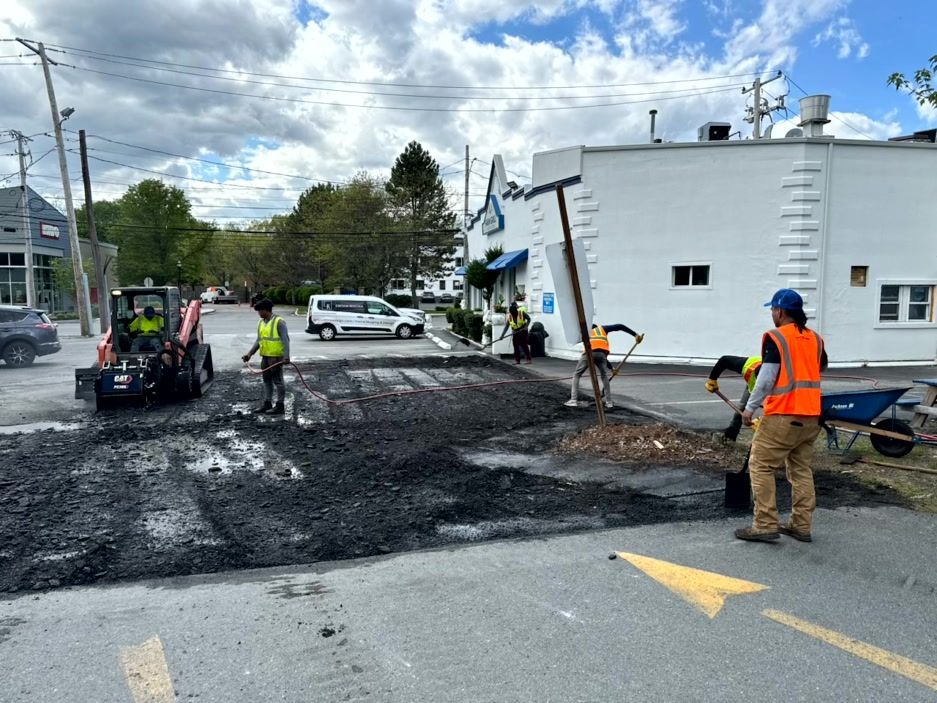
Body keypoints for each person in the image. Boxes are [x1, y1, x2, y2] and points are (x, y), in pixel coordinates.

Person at [736, 289, 828, 544]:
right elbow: (816, 369)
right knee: (801, 469)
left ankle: (765, 524)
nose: (772, 315)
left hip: (783, 415)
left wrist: (750, 408)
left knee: (761, 465)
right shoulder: (815, 339)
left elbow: (766, 379)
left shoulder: (777, 337)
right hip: (811, 416)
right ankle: (801, 525)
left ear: (780, 311)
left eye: (772, 310)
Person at [565, 322, 643, 409]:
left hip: (588, 353)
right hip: (601, 355)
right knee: (604, 376)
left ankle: (573, 400)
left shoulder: (585, 333)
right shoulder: (602, 329)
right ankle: (609, 402)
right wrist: (635, 335)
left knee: (577, 374)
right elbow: (620, 326)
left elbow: (592, 348)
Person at [242, 299, 290, 415]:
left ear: (265, 310)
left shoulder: (279, 322)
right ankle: (267, 403)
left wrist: (286, 356)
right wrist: (250, 354)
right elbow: (259, 340)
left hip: (276, 357)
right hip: (265, 357)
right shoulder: (261, 322)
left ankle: (280, 405)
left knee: (278, 381)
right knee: (266, 381)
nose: (258, 313)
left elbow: (285, 340)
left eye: (259, 311)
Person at [705, 355, 762, 441]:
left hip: (773, 394)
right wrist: (712, 379)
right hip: (753, 383)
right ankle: (730, 436)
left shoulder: (781, 383)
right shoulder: (748, 365)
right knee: (742, 408)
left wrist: (762, 419)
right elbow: (724, 360)